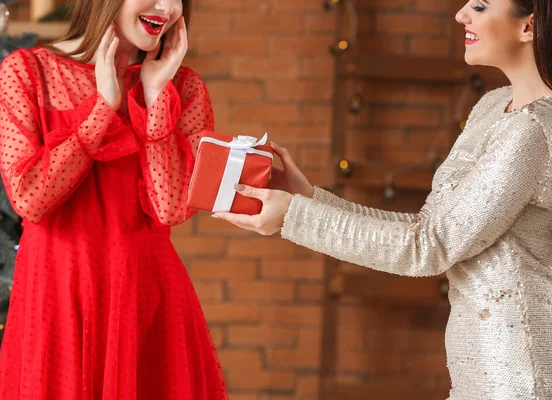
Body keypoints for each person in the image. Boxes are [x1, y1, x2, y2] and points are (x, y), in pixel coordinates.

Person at [213, 0, 552, 398]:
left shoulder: (532, 130)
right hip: (475, 369)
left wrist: (296, 218)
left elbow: (430, 247)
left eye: (479, 5)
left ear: (529, 27)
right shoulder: (492, 106)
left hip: (517, 376)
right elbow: (426, 227)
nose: (461, 14)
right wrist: (307, 197)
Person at [0, 0, 228, 398]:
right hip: (56, 304)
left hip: (144, 306)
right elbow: (30, 198)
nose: (168, 7)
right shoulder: (28, 72)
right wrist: (103, 108)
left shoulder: (183, 87)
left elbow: (170, 207)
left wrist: (155, 95)